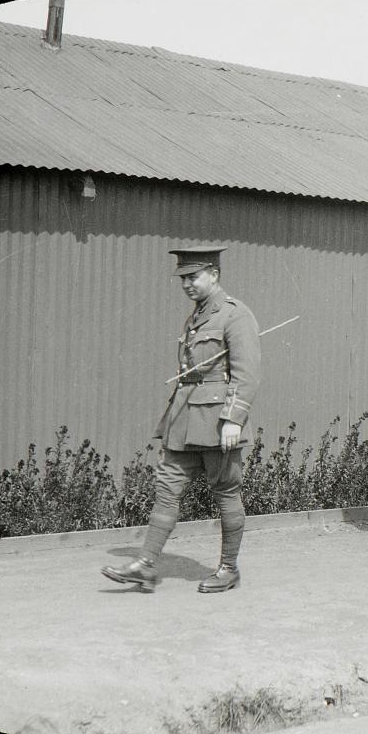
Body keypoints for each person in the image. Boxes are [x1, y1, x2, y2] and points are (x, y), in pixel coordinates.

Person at [101, 246, 261, 593]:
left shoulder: (235, 315)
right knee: (166, 490)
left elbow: (247, 375)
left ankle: (228, 568)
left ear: (213, 274)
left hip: (218, 423)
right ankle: (145, 565)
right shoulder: (195, 317)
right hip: (184, 419)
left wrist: (234, 419)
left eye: (193, 276)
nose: (187, 284)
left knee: (226, 493)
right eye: (183, 278)